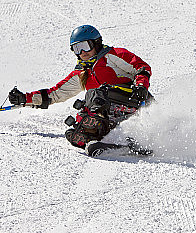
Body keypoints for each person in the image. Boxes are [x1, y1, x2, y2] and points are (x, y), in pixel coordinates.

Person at [8, 25, 152, 155]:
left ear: (96, 43)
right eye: (77, 48)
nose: (82, 52)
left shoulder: (112, 55)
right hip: (112, 113)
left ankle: (97, 122)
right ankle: (108, 142)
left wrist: (141, 86)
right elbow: (56, 94)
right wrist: (25, 99)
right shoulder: (81, 73)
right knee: (76, 128)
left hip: (134, 100)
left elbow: (141, 67)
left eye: (85, 46)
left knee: (95, 93)